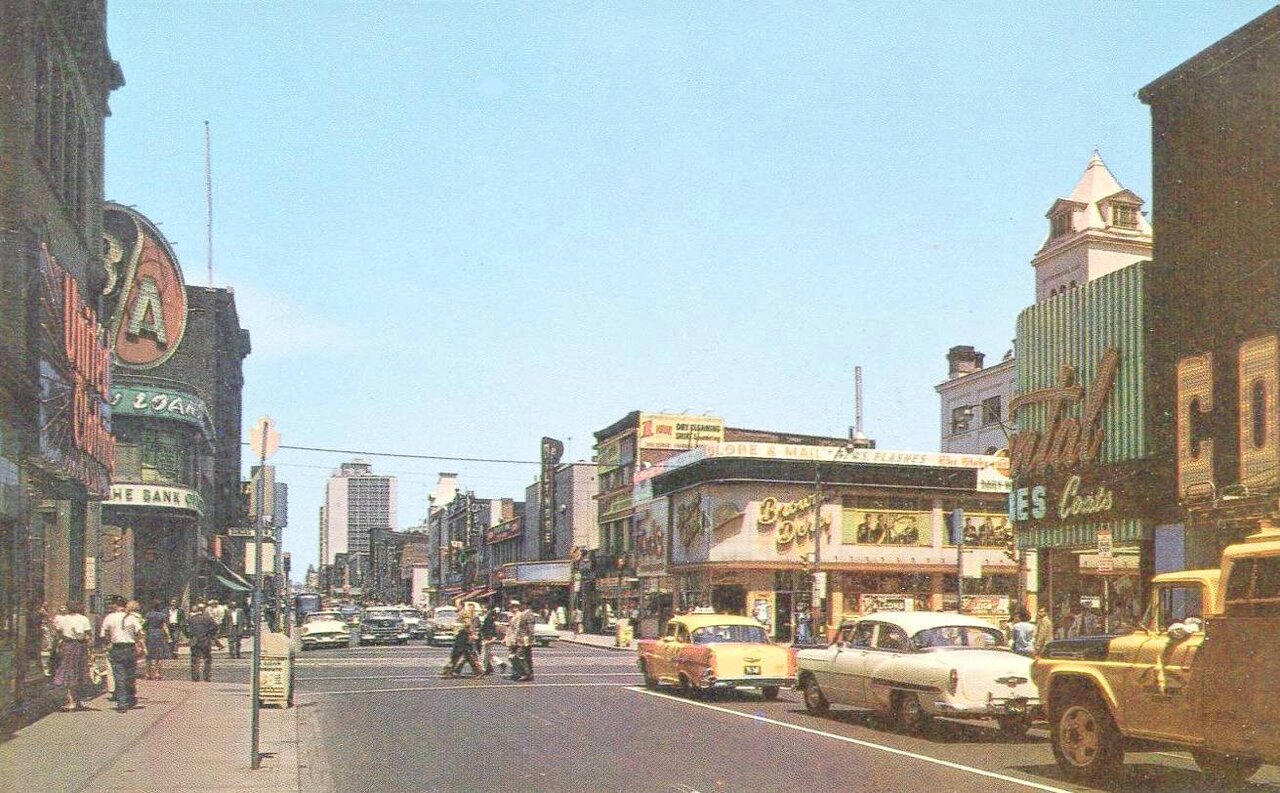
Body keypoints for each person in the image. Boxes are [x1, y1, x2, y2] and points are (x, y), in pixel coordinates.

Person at [99, 597, 144, 712]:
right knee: (130, 675)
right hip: (130, 648)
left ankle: (122, 703)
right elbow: (140, 632)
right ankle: (130, 698)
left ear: (116, 605)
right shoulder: (132, 618)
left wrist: (108, 643)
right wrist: (139, 645)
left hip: (117, 648)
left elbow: (103, 634)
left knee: (119, 676)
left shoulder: (109, 617)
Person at [53, 601, 93, 710]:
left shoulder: (63, 619)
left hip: (68, 646)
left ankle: (71, 702)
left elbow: (58, 632)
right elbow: (88, 635)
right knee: (81, 672)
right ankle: (80, 700)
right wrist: (90, 650)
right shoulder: (84, 619)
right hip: (81, 646)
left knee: (68, 672)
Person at [442, 604, 481, 678]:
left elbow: (468, 624)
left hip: (463, 637)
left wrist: (471, 635)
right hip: (460, 637)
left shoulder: (464, 613)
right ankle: (448, 672)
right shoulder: (460, 613)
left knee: (466, 655)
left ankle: (479, 672)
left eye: (457, 604)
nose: (456, 606)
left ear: (461, 605)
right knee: (458, 655)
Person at [186, 604, 220, 682]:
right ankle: (206, 676)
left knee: (195, 659)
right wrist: (210, 634)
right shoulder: (208, 618)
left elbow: (185, 627)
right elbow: (216, 626)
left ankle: (195, 676)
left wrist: (189, 636)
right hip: (205, 640)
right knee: (207, 658)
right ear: (204, 610)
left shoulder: (191, 619)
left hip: (195, 641)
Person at [143, 600, 172, 680]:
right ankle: (157, 673)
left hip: (150, 634)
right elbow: (164, 626)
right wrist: (169, 637)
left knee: (148, 655)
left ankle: (148, 673)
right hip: (159, 634)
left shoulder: (148, 615)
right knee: (158, 655)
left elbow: (144, 626)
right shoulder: (162, 615)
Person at [509, 601, 537, 682]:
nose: (519, 606)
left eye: (521, 605)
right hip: (521, 638)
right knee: (527, 657)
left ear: (526, 605)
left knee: (519, 655)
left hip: (525, 639)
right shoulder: (523, 614)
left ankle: (525, 674)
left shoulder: (529, 614)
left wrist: (528, 640)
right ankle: (529, 674)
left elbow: (530, 629)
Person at [479, 606, 506, 677]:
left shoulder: (489, 619)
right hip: (488, 637)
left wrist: (488, 638)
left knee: (484, 654)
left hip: (487, 638)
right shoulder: (490, 619)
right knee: (488, 654)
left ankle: (483, 669)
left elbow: (486, 629)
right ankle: (500, 664)